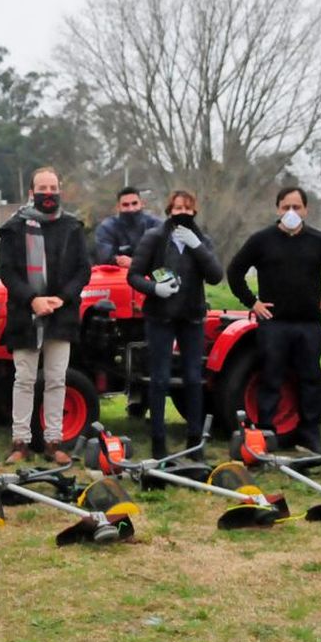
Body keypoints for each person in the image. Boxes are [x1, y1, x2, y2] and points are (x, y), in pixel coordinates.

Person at [226, 186, 321, 451]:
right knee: (271, 378)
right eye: (286, 207)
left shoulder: (320, 241)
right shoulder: (262, 240)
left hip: (308, 324)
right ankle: (265, 435)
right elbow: (235, 270)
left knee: (311, 380)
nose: (291, 212)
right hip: (274, 324)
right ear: (278, 209)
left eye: (297, 207)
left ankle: (310, 436)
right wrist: (252, 302)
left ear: (306, 210)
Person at [0, 166, 92, 464]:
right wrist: (33, 300)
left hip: (62, 315)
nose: (48, 194)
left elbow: (83, 270)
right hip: (25, 315)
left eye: (53, 188)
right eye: (43, 189)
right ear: (31, 192)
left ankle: (54, 442)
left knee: (56, 380)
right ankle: (20, 443)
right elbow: (7, 272)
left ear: (59, 190)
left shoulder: (72, 227)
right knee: (23, 380)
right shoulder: (13, 228)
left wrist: (61, 299)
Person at [127, 189, 225, 458]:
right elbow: (134, 275)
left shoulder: (201, 240)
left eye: (187, 208)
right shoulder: (155, 237)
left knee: (194, 379)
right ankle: (158, 441)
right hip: (160, 316)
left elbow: (216, 275)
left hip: (192, 316)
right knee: (159, 378)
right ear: (169, 211)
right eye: (177, 208)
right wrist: (153, 288)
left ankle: (194, 441)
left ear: (194, 212)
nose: (182, 212)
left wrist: (197, 246)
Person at [93, 186, 160, 267]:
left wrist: (135, 262)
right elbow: (104, 257)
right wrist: (119, 260)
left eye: (134, 203)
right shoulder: (106, 228)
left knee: (168, 277)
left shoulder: (156, 224)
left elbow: (165, 254)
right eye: (125, 205)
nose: (131, 208)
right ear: (118, 207)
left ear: (142, 204)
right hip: (118, 272)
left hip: (152, 270)